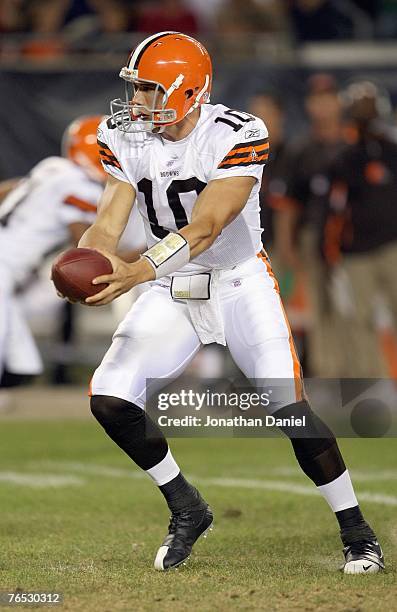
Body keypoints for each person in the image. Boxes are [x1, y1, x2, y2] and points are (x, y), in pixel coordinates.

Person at [72, 32, 383, 573]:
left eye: (148, 90)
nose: (137, 102)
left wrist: (137, 271)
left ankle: (358, 533)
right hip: (175, 286)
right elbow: (106, 224)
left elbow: (209, 225)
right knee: (109, 398)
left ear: (188, 91)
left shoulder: (236, 133)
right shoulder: (124, 138)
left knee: (289, 409)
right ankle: (186, 506)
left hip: (238, 280)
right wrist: (91, 270)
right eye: (136, 88)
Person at [0, 116, 105, 386]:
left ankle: (19, 378)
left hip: (8, 259)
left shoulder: (52, 166)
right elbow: (84, 243)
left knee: (21, 362)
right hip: (6, 262)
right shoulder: (81, 185)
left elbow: (11, 189)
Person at [324, 80, 397, 377]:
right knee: (361, 321)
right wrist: (330, 247)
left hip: (392, 245)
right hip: (356, 253)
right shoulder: (343, 157)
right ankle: (374, 384)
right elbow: (333, 208)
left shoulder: (392, 150)